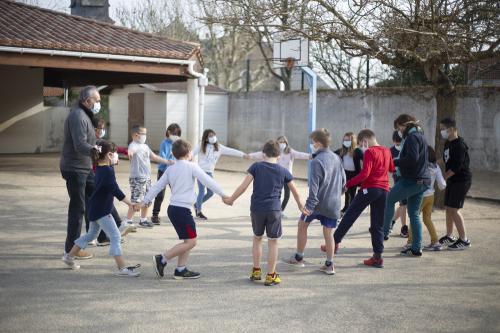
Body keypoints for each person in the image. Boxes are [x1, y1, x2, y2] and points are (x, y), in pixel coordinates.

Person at [143, 139, 230, 279]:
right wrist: (224, 195)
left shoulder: (170, 169)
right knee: (191, 241)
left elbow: (157, 186)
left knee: (187, 240)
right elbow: (208, 181)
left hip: (174, 210)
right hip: (182, 211)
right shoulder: (192, 166)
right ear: (189, 153)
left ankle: (181, 270)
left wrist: (145, 201)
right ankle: (162, 259)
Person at [226, 140, 305, 286]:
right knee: (273, 241)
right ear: (279, 156)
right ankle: (271, 275)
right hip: (274, 209)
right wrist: (300, 205)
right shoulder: (283, 171)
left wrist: (231, 199)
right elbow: (295, 191)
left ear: (263, 154)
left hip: (257, 209)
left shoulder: (256, 166)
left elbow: (243, 187)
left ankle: (256, 271)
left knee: (257, 238)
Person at [62, 140, 141, 277]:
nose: (117, 156)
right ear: (109, 155)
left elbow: (112, 188)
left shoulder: (98, 167)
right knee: (115, 236)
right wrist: (131, 204)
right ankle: (122, 269)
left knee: (91, 235)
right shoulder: (107, 171)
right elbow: (116, 191)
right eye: (115, 153)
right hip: (102, 211)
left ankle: (69, 257)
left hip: (95, 209)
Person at [285, 128, 346, 275]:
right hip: (333, 204)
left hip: (316, 204)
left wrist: (308, 207)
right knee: (328, 234)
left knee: (302, 225)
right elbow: (344, 183)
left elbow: (314, 187)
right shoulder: (336, 158)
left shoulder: (316, 161)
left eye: (313, 142)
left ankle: (299, 257)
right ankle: (329, 264)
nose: (312, 145)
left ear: (318, 143)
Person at [333, 129, 394, 268]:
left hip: (369, 188)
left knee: (350, 214)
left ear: (365, 140)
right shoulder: (387, 151)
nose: (360, 146)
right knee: (377, 224)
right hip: (384, 190)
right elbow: (391, 168)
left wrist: (348, 184)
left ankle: (334, 243)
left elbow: (365, 174)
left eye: (360, 143)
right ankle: (377, 258)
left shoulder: (370, 152)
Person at [60, 86, 101, 260]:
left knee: (98, 198)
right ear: (87, 100)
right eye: (97, 100)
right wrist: (96, 151)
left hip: (85, 167)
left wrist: (102, 146)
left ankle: (108, 233)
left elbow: (90, 140)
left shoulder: (86, 115)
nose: (98, 103)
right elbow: (80, 144)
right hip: (75, 168)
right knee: (78, 209)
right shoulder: (78, 116)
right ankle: (71, 248)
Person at [383, 114, 431, 257]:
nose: (399, 131)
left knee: (389, 199)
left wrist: (394, 162)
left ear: (405, 125)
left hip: (412, 179)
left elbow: (412, 158)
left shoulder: (412, 138)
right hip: (422, 181)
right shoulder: (420, 136)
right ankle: (416, 248)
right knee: (414, 214)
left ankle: (382, 234)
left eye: (399, 127)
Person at [89, 119, 134, 247]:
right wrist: (130, 203)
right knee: (103, 208)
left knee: (103, 208)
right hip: (96, 178)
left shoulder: (103, 145)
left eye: (104, 128)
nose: (103, 131)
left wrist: (124, 152)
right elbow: (115, 189)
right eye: (100, 128)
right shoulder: (92, 143)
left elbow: (113, 148)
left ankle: (103, 236)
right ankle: (114, 231)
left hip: (100, 177)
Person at [193, 129, 248, 220]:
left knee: (211, 193)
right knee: (202, 191)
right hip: (200, 172)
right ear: (206, 138)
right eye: (210, 136)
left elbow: (232, 151)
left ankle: (197, 204)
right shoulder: (201, 145)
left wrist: (243, 155)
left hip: (210, 172)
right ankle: (198, 212)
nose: (213, 137)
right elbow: (192, 153)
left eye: (213, 135)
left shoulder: (219, 147)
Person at [249, 136, 310, 217]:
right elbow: (261, 154)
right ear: (277, 143)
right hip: (277, 176)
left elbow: (300, 154)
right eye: (280, 142)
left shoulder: (290, 152)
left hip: (287, 177)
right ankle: (275, 210)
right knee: (276, 194)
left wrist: (310, 156)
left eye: (283, 142)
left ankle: (280, 210)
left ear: (286, 143)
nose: (282, 144)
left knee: (287, 196)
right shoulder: (275, 152)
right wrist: (249, 155)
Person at [125, 125, 172, 228]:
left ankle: (143, 219)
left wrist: (168, 162)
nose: (145, 136)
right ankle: (128, 221)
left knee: (147, 199)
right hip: (137, 178)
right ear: (135, 135)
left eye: (145, 134)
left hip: (147, 177)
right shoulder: (133, 145)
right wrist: (129, 153)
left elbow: (154, 157)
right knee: (136, 200)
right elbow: (131, 150)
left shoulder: (145, 146)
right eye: (143, 134)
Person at [403, 146, 446, 251]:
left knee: (414, 218)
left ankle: (410, 242)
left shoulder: (421, 167)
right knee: (427, 219)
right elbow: (442, 185)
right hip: (430, 196)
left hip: (419, 196)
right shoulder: (436, 167)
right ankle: (435, 241)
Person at [438, 118, 472, 250]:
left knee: (454, 209)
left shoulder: (460, 145)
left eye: (443, 129)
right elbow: (445, 159)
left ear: (451, 129)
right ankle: (449, 235)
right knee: (448, 207)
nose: (441, 132)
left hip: (461, 180)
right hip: (452, 180)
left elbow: (457, 166)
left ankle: (464, 239)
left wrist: (443, 177)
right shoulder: (448, 143)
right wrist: (434, 163)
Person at [151, 123, 180, 225]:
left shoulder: (178, 143)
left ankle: (177, 214)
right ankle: (155, 215)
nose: (176, 135)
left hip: (174, 171)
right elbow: (162, 157)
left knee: (176, 193)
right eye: (174, 133)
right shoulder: (164, 143)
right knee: (160, 194)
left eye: (177, 134)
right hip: (163, 171)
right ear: (168, 132)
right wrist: (168, 162)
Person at [335, 132, 363, 215]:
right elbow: (330, 154)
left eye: (348, 140)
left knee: (352, 193)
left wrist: (366, 151)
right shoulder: (342, 151)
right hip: (345, 174)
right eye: (344, 140)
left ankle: (351, 209)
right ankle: (346, 207)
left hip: (354, 174)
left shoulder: (357, 151)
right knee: (347, 192)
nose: (345, 142)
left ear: (353, 141)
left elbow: (365, 157)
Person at [389, 130, 409, 237]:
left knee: (404, 204)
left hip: (408, 178)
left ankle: (391, 222)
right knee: (403, 203)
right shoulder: (390, 151)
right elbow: (388, 166)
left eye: (400, 143)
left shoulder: (406, 149)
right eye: (396, 143)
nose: (398, 145)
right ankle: (404, 228)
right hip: (398, 179)